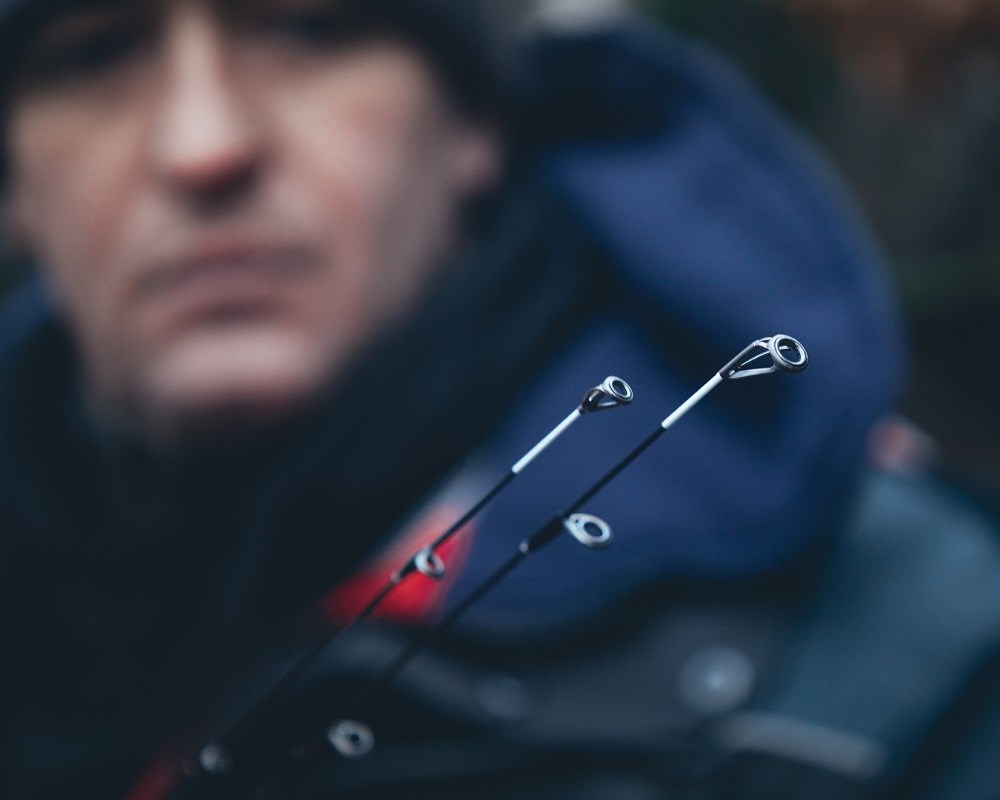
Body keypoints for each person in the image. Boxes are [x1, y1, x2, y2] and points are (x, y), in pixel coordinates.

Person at [0, 1, 996, 799]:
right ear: (16, 187)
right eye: (94, 55)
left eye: (310, 28)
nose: (202, 145)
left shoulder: (908, 650)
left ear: (473, 122)